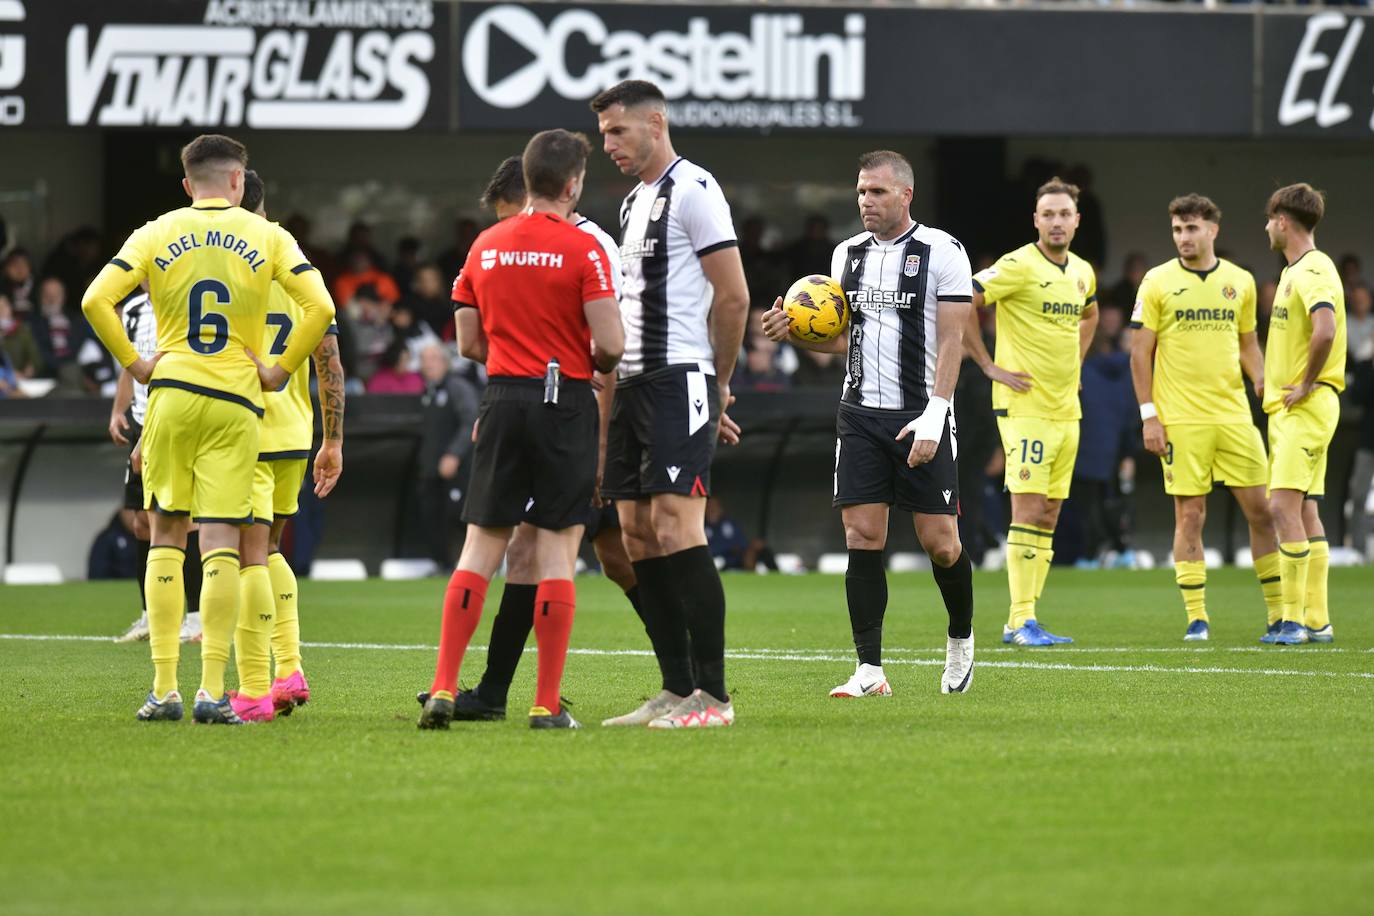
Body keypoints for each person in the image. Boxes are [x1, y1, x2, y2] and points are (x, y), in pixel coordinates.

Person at [80, 133, 335, 724]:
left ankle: (164, 688)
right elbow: (320, 309)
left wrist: (137, 363)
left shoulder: (156, 231)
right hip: (236, 403)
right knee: (223, 542)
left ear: (188, 184)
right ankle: (212, 692)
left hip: (170, 396)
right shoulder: (269, 236)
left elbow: (97, 300)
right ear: (239, 182)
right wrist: (276, 371)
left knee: (165, 535)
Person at [417, 128, 624, 731]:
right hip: (563, 401)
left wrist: (512, 352)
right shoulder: (583, 250)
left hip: (501, 398)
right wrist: (585, 359)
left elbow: (466, 341)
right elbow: (610, 344)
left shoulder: (485, 245)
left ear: (526, 181)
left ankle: (444, 687)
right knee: (558, 548)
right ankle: (543, 703)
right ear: (575, 183)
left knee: (482, 546)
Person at [761, 150, 976, 697]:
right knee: (862, 535)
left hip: (920, 413)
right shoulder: (845, 256)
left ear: (905, 195)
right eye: (860, 191)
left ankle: (960, 637)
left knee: (941, 543)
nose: (865, 201)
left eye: (876, 192)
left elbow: (953, 339)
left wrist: (936, 413)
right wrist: (795, 329)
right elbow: (843, 336)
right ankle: (869, 669)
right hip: (858, 414)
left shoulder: (943, 251)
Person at [592, 79, 750, 728]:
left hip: (679, 377)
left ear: (655, 123)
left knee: (677, 526)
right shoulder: (633, 204)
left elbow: (733, 296)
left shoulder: (695, 190)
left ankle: (714, 697)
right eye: (603, 134)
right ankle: (677, 686)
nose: (608, 145)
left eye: (618, 131)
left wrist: (716, 385)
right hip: (631, 384)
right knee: (632, 535)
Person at [1129, 194, 1280, 640]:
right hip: (1181, 419)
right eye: (1177, 229)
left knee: (1264, 513)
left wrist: (1262, 378)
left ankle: (1279, 615)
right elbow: (1140, 352)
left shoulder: (1240, 282)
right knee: (1190, 515)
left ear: (1212, 230)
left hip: (1234, 416)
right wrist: (1149, 416)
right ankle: (1197, 617)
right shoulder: (1157, 281)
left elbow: (1249, 343)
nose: (1183, 237)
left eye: (1191, 228)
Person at [963, 177, 1100, 646]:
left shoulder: (1082, 272)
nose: (1057, 222)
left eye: (1065, 214)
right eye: (1049, 215)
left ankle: (1027, 619)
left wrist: (1077, 363)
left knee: (1050, 511)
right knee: (1026, 509)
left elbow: (1091, 314)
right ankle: (1020, 620)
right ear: (1036, 220)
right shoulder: (1018, 265)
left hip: (1067, 409)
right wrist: (988, 365)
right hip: (1025, 408)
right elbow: (964, 301)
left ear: (1076, 220)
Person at [234, 169, 346, 721]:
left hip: (240, 430)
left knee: (243, 556)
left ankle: (254, 690)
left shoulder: (227, 262)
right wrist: (334, 440)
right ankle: (290, 669)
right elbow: (329, 359)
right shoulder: (296, 263)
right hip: (294, 432)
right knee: (272, 549)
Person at [1260, 183, 1346, 645]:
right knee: (1307, 509)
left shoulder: (1312, 268)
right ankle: (1317, 618)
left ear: (1283, 221)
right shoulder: (1299, 269)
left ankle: (1291, 620)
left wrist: (1308, 381)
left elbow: (1325, 330)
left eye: (1269, 219)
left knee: (1282, 506)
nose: (1266, 227)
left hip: (1306, 406)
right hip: (1298, 405)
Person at [111, 285, 203, 645]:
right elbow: (128, 365)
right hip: (139, 421)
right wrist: (118, 409)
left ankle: (194, 618)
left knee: (186, 521)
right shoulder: (133, 309)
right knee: (139, 522)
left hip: (175, 421)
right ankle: (151, 615)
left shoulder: (182, 299)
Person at [415, 342, 480, 569]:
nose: (428, 364)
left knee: (458, 515)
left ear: (445, 362)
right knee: (432, 515)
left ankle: (470, 564)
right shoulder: (428, 392)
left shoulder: (457, 388)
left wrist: (454, 454)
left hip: (459, 470)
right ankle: (443, 565)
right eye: (424, 359)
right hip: (431, 470)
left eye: (433, 358)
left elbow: (470, 421)